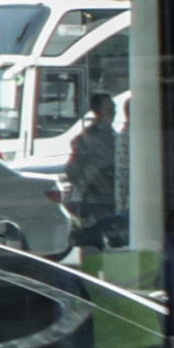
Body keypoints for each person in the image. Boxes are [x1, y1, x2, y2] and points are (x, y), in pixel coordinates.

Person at [63, 90, 127, 251]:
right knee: (96, 244)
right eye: (108, 109)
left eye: (113, 108)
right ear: (98, 112)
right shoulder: (89, 138)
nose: (113, 112)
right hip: (95, 203)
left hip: (111, 199)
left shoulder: (113, 135)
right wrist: (90, 182)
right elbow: (73, 170)